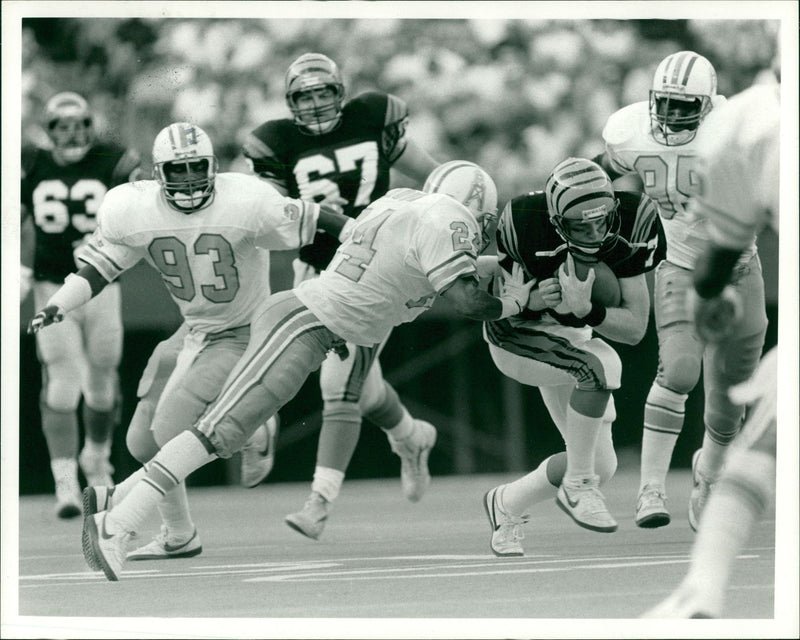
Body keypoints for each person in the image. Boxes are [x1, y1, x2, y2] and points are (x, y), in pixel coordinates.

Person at [77, 160, 540, 581]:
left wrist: (502, 264)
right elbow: (466, 300)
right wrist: (520, 299)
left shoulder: (406, 203)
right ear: (476, 209)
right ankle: (117, 525)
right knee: (221, 431)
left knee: (226, 433)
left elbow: (410, 264)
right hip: (305, 323)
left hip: (313, 323)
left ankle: (114, 501)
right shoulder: (449, 220)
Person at [30, 122, 353, 560]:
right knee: (141, 443)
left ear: (213, 167)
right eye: (176, 171)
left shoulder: (245, 200)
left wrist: (361, 232)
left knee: (168, 432)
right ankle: (179, 534)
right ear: (158, 173)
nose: (187, 180)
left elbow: (315, 221)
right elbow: (102, 267)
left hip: (244, 332)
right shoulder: (135, 209)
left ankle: (126, 513)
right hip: (194, 330)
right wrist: (60, 304)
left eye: (195, 168)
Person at [241, 52, 441, 540]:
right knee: (358, 385)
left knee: (340, 387)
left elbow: (434, 178)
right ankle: (411, 438)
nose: (314, 104)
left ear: (341, 91)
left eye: (323, 92)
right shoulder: (276, 143)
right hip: (315, 267)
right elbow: (269, 210)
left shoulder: (372, 118)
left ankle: (319, 502)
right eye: (303, 96)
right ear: (290, 102)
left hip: (377, 269)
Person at [594, 51, 768, 529]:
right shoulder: (631, 131)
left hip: (739, 270)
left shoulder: (739, 131)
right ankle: (650, 487)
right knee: (681, 371)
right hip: (681, 267)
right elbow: (600, 172)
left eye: (682, 106)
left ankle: (708, 474)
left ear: (710, 105)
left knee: (729, 399)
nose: (669, 116)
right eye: (664, 104)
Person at [481, 157, 666, 555]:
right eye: (581, 224)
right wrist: (528, 301)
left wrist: (588, 311)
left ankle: (506, 503)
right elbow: (496, 289)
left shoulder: (635, 218)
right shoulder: (522, 220)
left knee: (605, 466)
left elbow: (634, 328)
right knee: (599, 367)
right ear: (555, 218)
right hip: (518, 335)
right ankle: (578, 486)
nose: (595, 232)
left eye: (602, 221)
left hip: (573, 334)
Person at [644, 80, 780, 618]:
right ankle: (701, 584)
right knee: (760, 421)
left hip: (732, 269)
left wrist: (709, 291)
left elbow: (722, 255)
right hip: (705, 263)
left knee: (759, 423)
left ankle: (703, 586)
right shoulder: (751, 126)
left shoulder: (747, 124)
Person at [20, 91, 141, 518]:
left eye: (79, 126)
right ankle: (66, 480)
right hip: (52, 287)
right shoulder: (30, 164)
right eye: (63, 127)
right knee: (64, 382)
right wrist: (18, 267)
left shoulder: (112, 161)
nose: (72, 135)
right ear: (50, 131)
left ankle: (96, 456)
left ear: (91, 127)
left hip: (103, 283)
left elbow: (137, 211)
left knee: (104, 377)